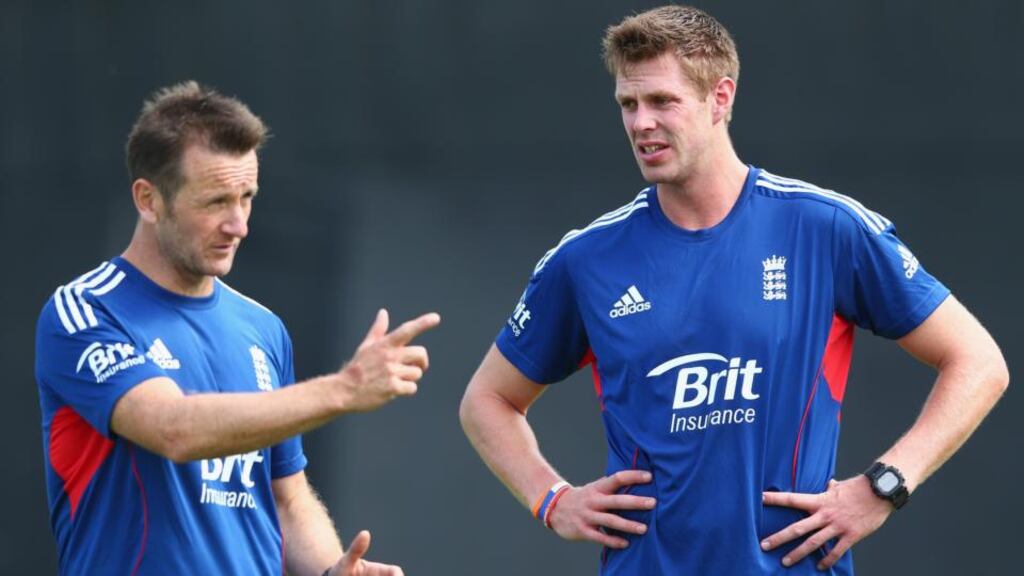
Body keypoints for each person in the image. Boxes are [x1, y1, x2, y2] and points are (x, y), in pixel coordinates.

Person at [459, 5, 1008, 575]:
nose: (640, 122)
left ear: (720, 98)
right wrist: (553, 499)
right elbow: (488, 401)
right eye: (628, 104)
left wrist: (884, 487)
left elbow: (978, 361)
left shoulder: (823, 228)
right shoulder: (585, 260)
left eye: (662, 101)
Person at [35, 81, 440, 575]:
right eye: (215, 202)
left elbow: (286, 499)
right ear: (148, 199)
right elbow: (173, 429)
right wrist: (345, 388)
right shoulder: (86, 311)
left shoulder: (262, 328)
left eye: (247, 197)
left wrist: (333, 571)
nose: (239, 224)